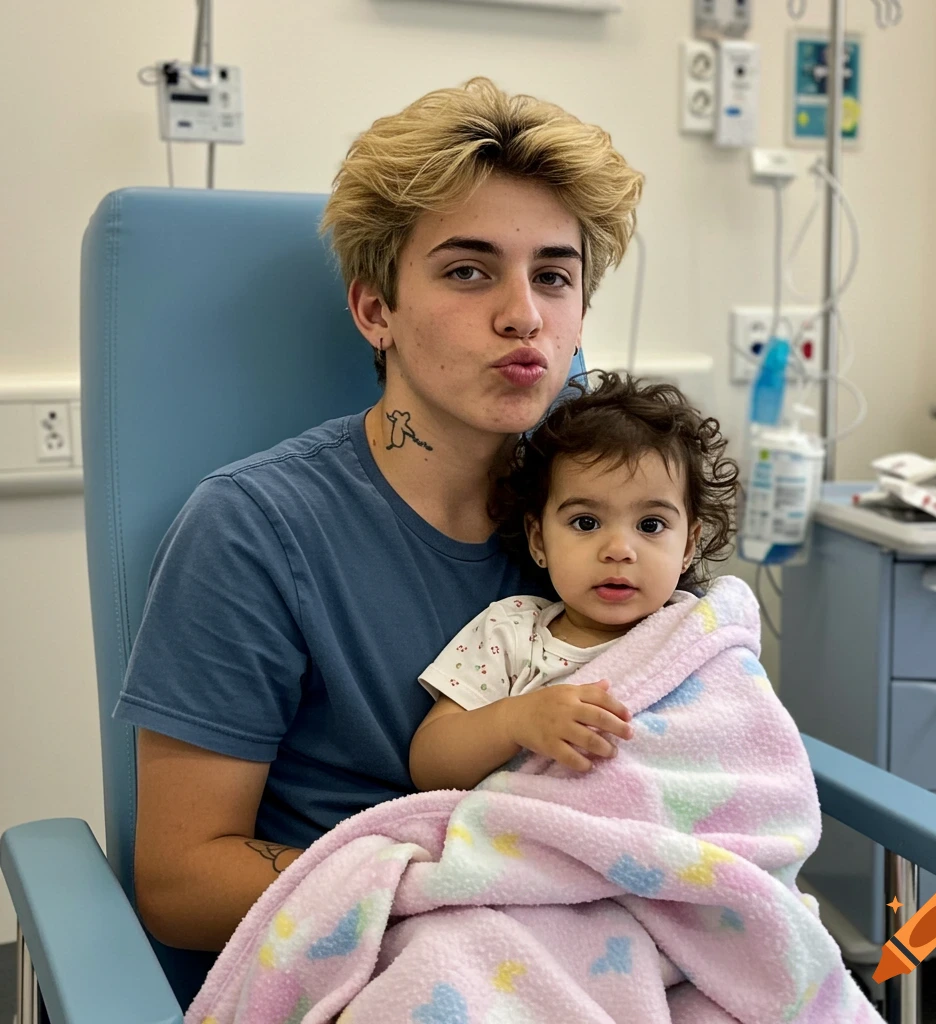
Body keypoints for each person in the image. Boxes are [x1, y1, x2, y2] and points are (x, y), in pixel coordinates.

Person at [113, 77, 644, 955]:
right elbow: (181, 881)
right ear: (375, 310)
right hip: (375, 961)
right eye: (469, 271)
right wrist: (451, 891)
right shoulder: (255, 531)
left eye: (554, 276)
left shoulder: (611, 518)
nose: (524, 317)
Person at [409, 372, 738, 791]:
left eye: (651, 524)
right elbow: (428, 765)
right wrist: (514, 720)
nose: (619, 549)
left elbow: (741, 738)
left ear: (688, 545)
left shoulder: (700, 633)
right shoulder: (512, 634)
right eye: (586, 522)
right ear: (538, 539)